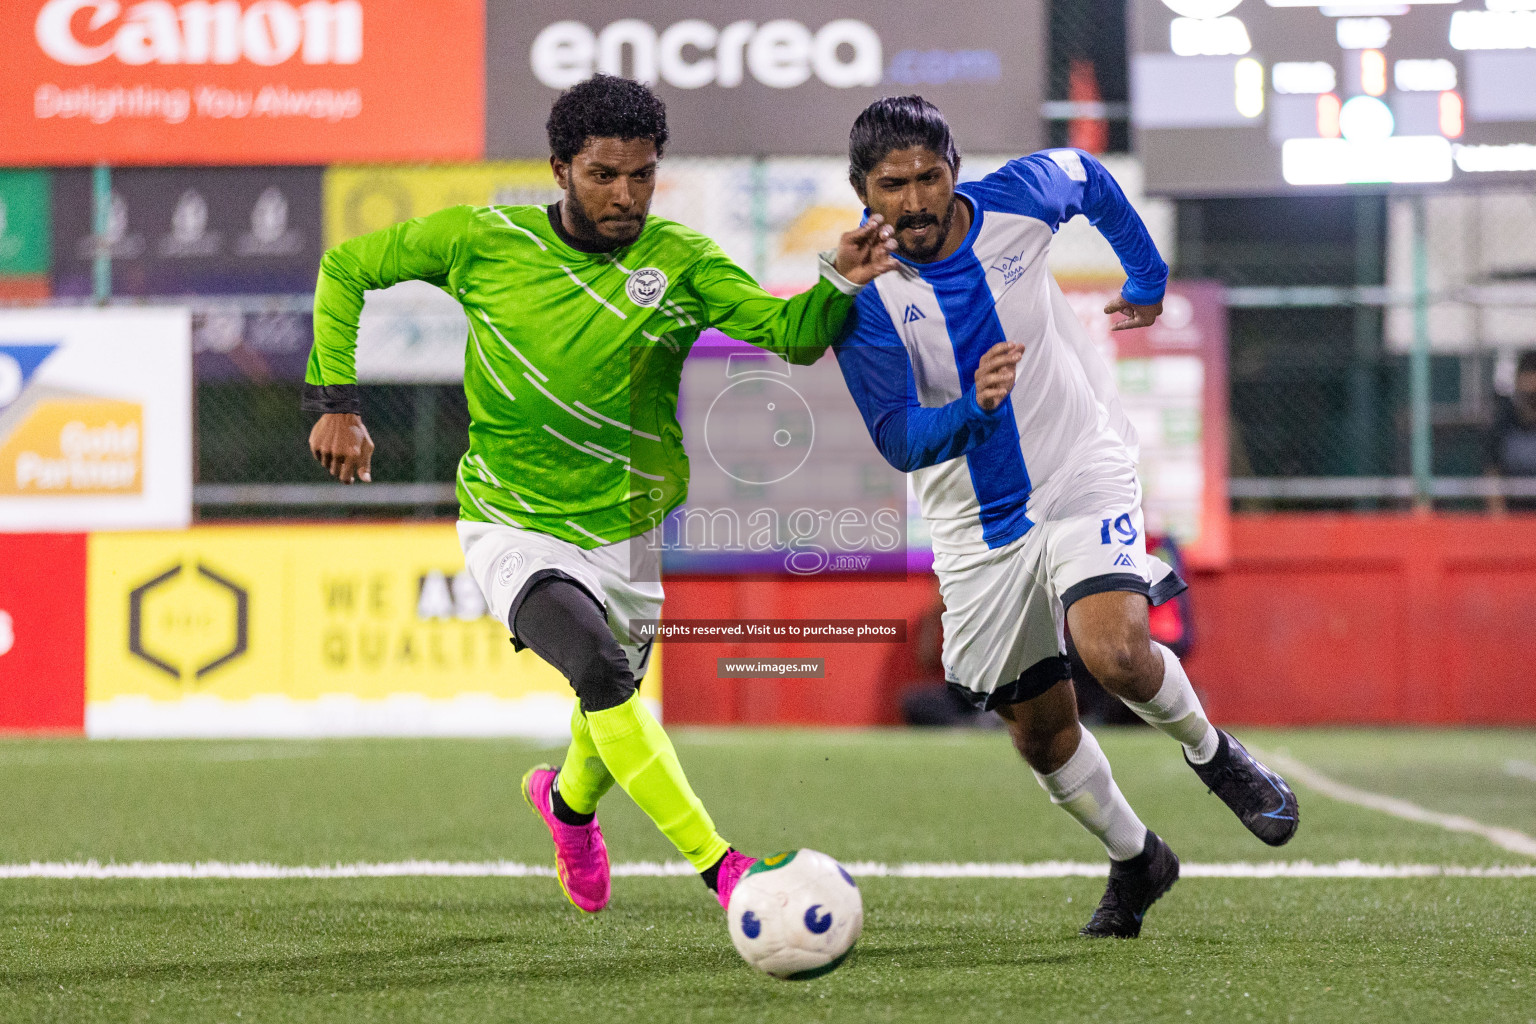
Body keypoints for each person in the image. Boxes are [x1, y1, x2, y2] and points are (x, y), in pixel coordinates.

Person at [302, 75, 896, 916]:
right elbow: (347, 267)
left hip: (629, 532)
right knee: (601, 671)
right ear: (559, 169)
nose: (625, 195)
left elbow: (789, 339)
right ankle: (725, 870)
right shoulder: (482, 237)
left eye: (642, 175)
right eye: (604, 175)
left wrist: (840, 282)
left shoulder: (683, 261)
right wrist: (336, 404)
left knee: (602, 723)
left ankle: (567, 806)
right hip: (513, 522)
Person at [830, 96, 1299, 939]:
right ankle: (1138, 858)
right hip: (974, 524)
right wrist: (974, 408)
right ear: (863, 191)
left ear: (955, 170)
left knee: (1115, 651)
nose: (915, 200)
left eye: (929, 176)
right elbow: (900, 438)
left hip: (1080, 466)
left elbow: (1088, 178)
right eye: (891, 185)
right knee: (1041, 732)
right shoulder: (861, 296)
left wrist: (1147, 277)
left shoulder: (1016, 200)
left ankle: (1214, 755)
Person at [1485, 351, 1536, 514]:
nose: (1531, 389)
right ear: (1517, 380)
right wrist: (1499, 514)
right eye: (1527, 377)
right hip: (1513, 513)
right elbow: (1492, 471)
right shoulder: (1503, 422)